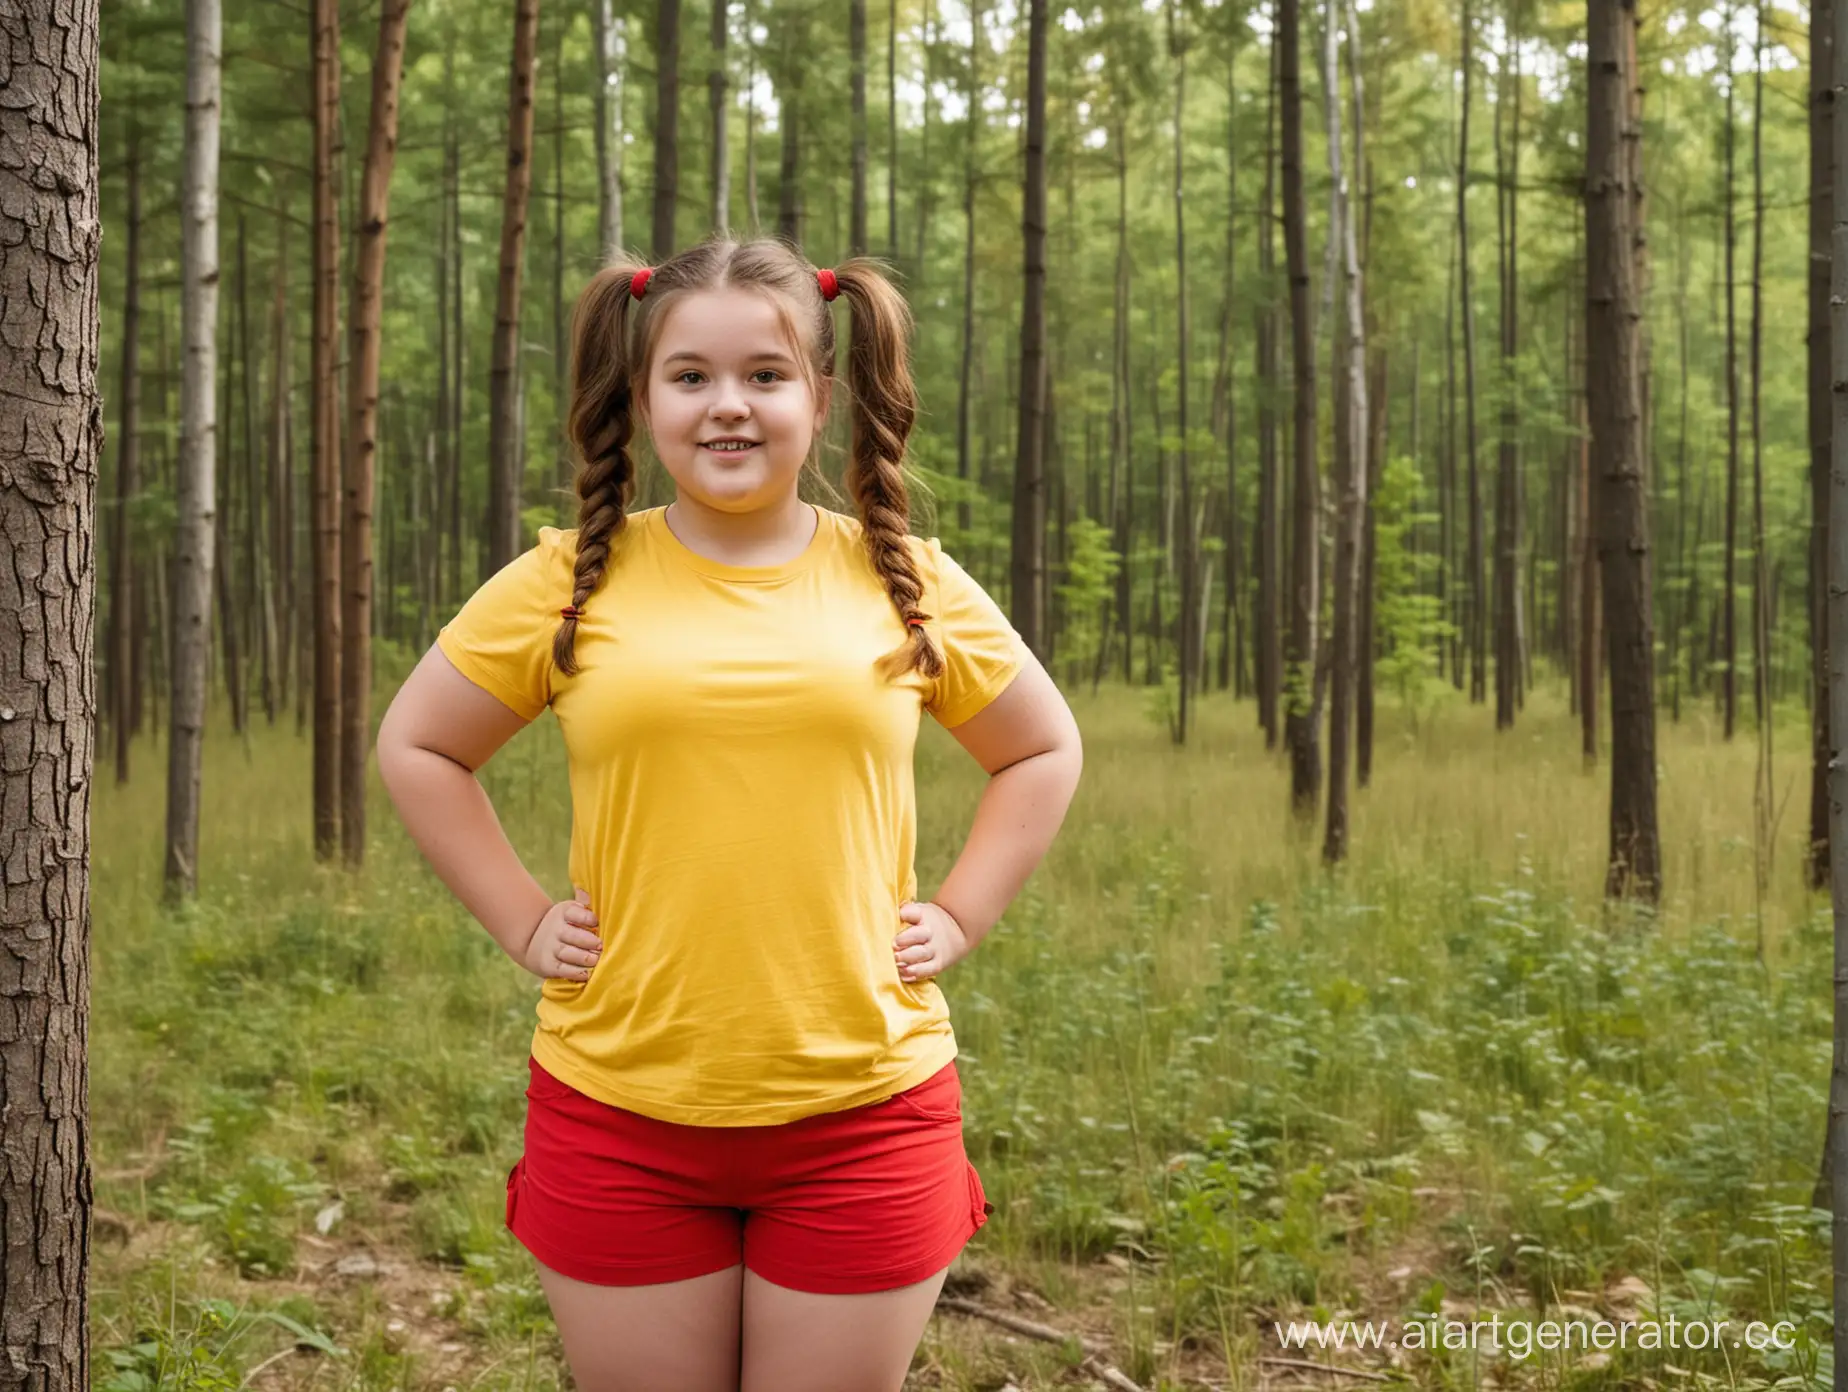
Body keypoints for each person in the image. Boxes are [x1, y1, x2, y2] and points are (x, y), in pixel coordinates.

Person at [376, 237, 1083, 1392]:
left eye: (766, 375)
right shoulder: (572, 578)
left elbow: (1044, 747)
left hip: (866, 1111)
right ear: (643, 396)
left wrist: (958, 917)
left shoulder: (903, 577)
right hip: (620, 1112)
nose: (728, 408)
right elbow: (418, 744)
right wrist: (520, 920)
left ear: (821, 393)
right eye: (690, 376)